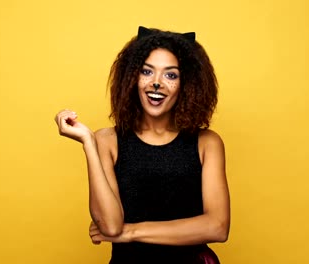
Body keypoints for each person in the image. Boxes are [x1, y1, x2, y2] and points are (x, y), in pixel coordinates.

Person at [55, 26, 230, 264]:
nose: (156, 83)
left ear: (187, 84)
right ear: (132, 78)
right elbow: (110, 226)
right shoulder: (106, 141)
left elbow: (217, 227)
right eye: (147, 72)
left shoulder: (207, 143)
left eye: (171, 75)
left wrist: (131, 232)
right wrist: (88, 142)